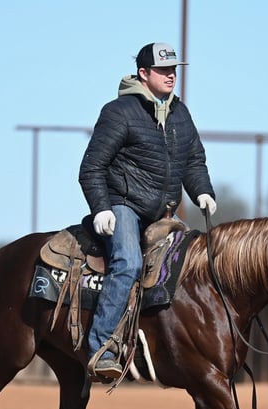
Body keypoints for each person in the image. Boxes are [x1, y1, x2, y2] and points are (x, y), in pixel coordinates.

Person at [79, 42, 217, 380]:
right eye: (163, 70)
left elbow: (193, 160)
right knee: (128, 263)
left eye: (174, 70)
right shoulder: (119, 112)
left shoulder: (180, 113)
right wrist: (102, 208)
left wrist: (202, 191)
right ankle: (101, 348)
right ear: (143, 73)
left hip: (164, 212)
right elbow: (91, 167)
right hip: (124, 206)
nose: (171, 76)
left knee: (195, 264)